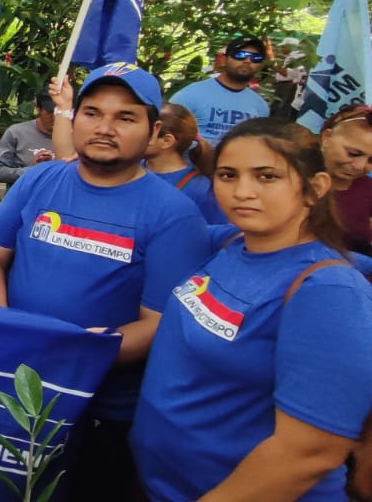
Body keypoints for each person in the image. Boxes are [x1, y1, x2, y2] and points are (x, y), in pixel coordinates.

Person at [0, 62, 212, 500]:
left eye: (125, 117)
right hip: (14, 382)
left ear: (152, 129)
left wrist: (71, 356)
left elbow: (159, 323)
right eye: (91, 113)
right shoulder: (38, 180)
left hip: (101, 409)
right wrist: (4, 327)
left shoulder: (175, 216)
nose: (104, 127)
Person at [131, 117, 372, 501]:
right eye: (228, 175)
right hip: (164, 485)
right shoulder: (231, 245)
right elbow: (138, 228)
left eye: (266, 177)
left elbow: (307, 455)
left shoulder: (328, 292)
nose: (243, 191)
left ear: (315, 188)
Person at [170, 35, 270, 147]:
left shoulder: (260, 106)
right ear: (225, 59)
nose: (247, 61)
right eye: (240, 55)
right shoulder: (190, 95)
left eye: (255, 57)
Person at [145, 103, 227, 225]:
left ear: (167, 141)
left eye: (145, 131)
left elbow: (219, 234)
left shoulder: (201, 190)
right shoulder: (128, 170)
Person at [318, 105, 372, 254]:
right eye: (353, 154)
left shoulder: (368, 189)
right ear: (327, 137)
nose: (360, 166)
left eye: (371, 161)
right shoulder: (291, 181)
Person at [0, 93, 56, 188]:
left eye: (60, 112)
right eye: (50, 112)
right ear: (38, 109)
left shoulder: (74, 136)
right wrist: (31, 171)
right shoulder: (16, 132)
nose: (55, 117)